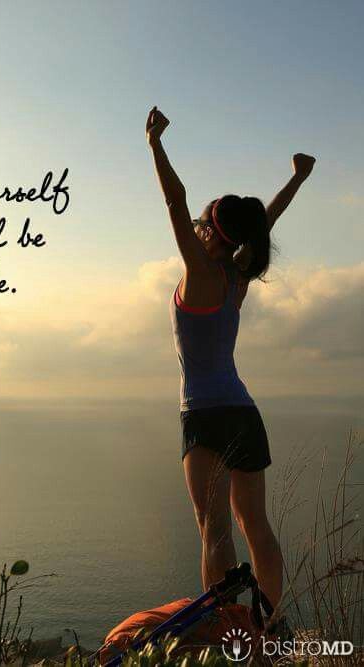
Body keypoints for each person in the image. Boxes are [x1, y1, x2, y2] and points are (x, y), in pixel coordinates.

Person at [145, 106, 315, 608]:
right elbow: (268, 219)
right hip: (243, 413)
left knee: (213, 530)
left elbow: (174, 202)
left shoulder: (199, 273)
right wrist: (297, 178)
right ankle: (271, 622)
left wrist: (155, 143)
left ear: (209, 230)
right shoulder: (236, 278)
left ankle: (224, 632)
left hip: (203, 415)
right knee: (254, 524)